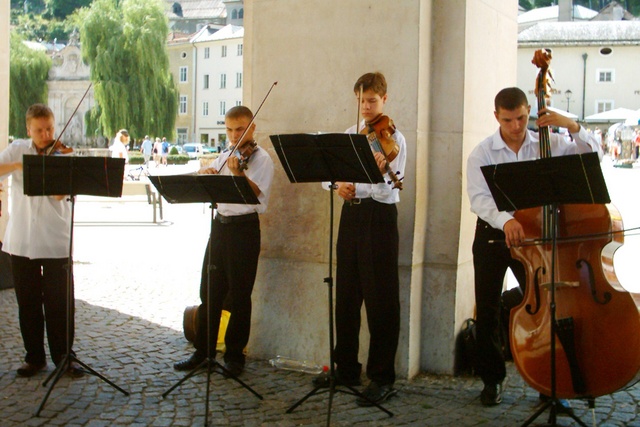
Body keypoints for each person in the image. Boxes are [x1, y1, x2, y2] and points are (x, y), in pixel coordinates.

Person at [466, 87, 603, 406]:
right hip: (493, 233)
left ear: (530, 112)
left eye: (522, 118)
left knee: (546, 307)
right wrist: (506, 221)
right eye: (508, 120)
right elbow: (479, 198)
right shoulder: (482, 152)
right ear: (496, 116)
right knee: (487, 308)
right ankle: (492, 380)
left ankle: (549, 383)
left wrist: (572, 126)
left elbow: (590, 158)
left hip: (536, 238)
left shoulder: (549, 143)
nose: (516, 126)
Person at [316, 72, 406, 407]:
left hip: (379, 219)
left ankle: (382, 377)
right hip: (351, 217)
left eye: (372, 100)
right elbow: (327, 176)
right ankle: (347, 368)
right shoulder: (349, 136)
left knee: (381, 300)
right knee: (347, 296)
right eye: (362, 100)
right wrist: (338, 186)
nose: (366, 107)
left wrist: (377, 174)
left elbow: (392, 189)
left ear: (384, 99)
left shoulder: (396, 139)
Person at [173, 105, 274, 377]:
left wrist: (239, 174)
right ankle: (203, 351)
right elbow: (214, 183)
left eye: (240, 129)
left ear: (252, 128)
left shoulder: (262, 159)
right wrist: (207, 177)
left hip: (244, 229)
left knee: (240, 295)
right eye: (229, 130)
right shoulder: (226, 154)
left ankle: (234, 356)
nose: (234, 136)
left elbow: (257, 198)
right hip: (219, 227)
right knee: (209, 292)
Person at [0, 104, 84, 378]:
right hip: (21, 239)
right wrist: (20, 165)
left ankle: (64, 357)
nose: (46, 134)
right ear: (28, 130)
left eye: (49, 128)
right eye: (39, 130)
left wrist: (54, 165)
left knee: (60, 303)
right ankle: (34, 357)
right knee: (28, 302)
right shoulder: (17, 149)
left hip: (55, 239)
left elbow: (60, 197)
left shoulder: (60, 153)